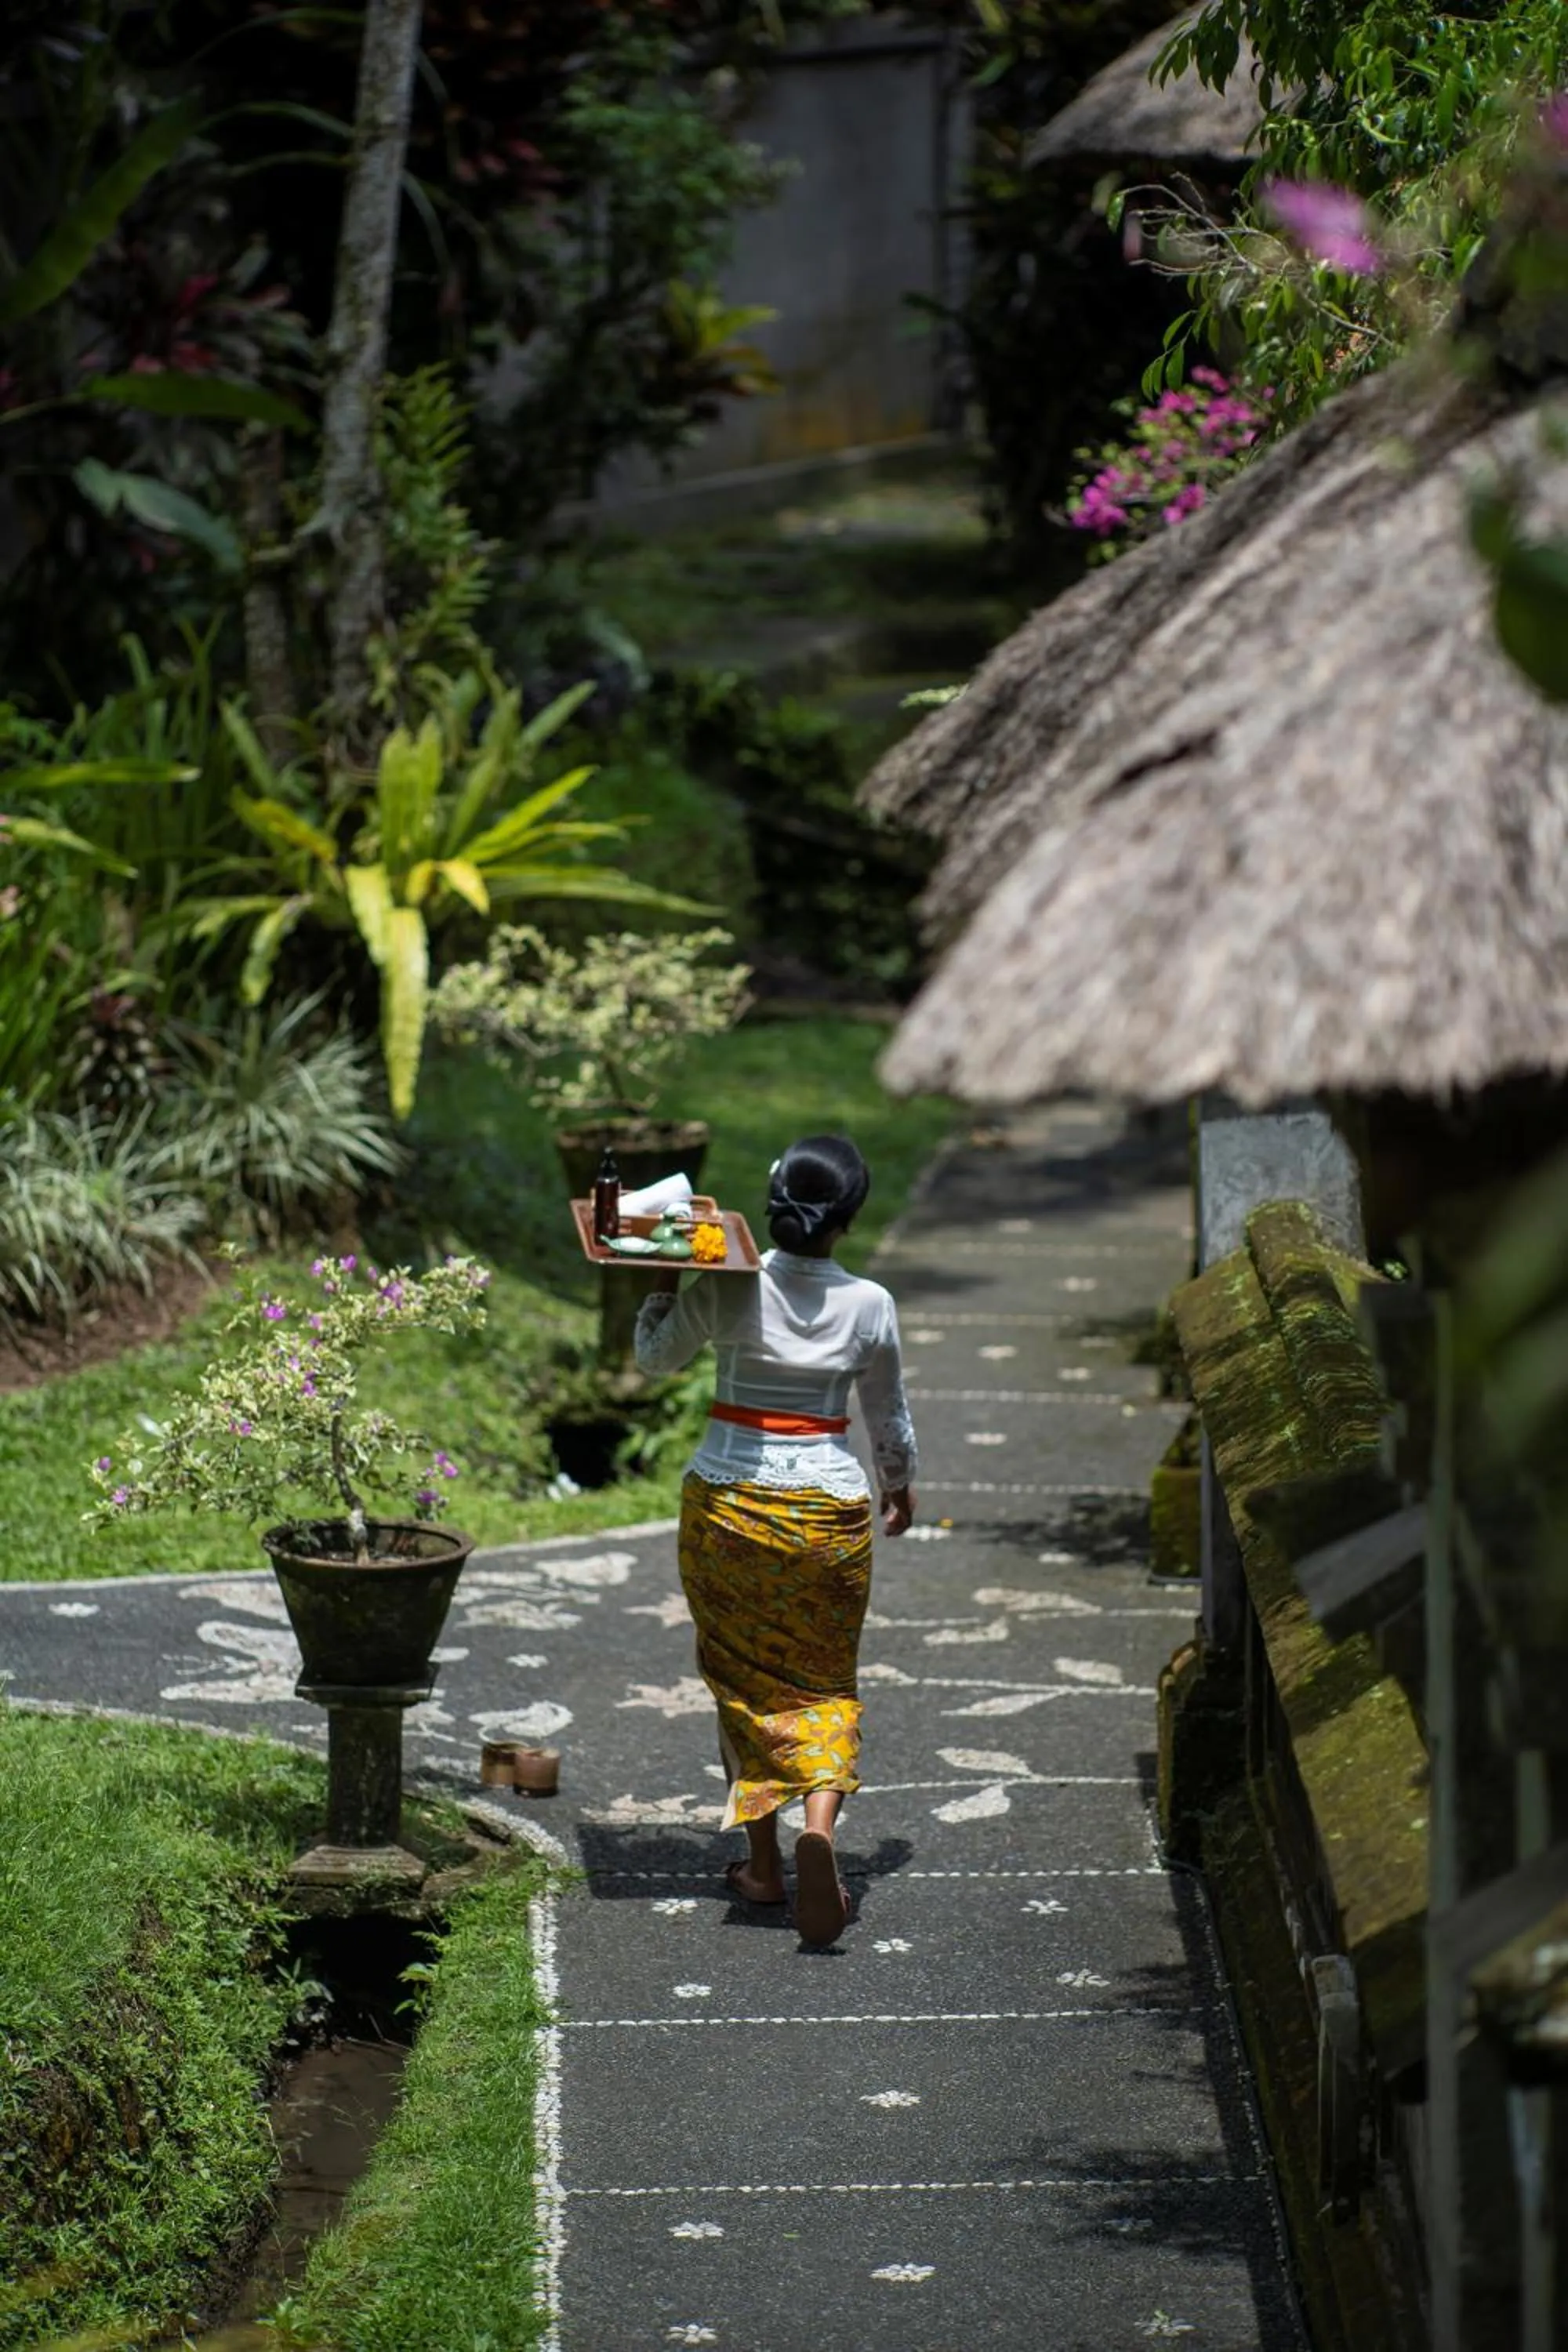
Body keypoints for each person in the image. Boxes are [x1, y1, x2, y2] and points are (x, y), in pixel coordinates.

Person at [634, 1134, 917, 1947]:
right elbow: (886, 1417)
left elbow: (653, 1359)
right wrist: (897, 1485)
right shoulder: (869, 1304)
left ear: (766, 1208)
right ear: (848, 1221)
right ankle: (819, 1823)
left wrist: (661, 1278)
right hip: (825, 1514)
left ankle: (762, 1869)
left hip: (726, 1506)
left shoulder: (729, 1286)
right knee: (822, 1679)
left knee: (742, 1682)